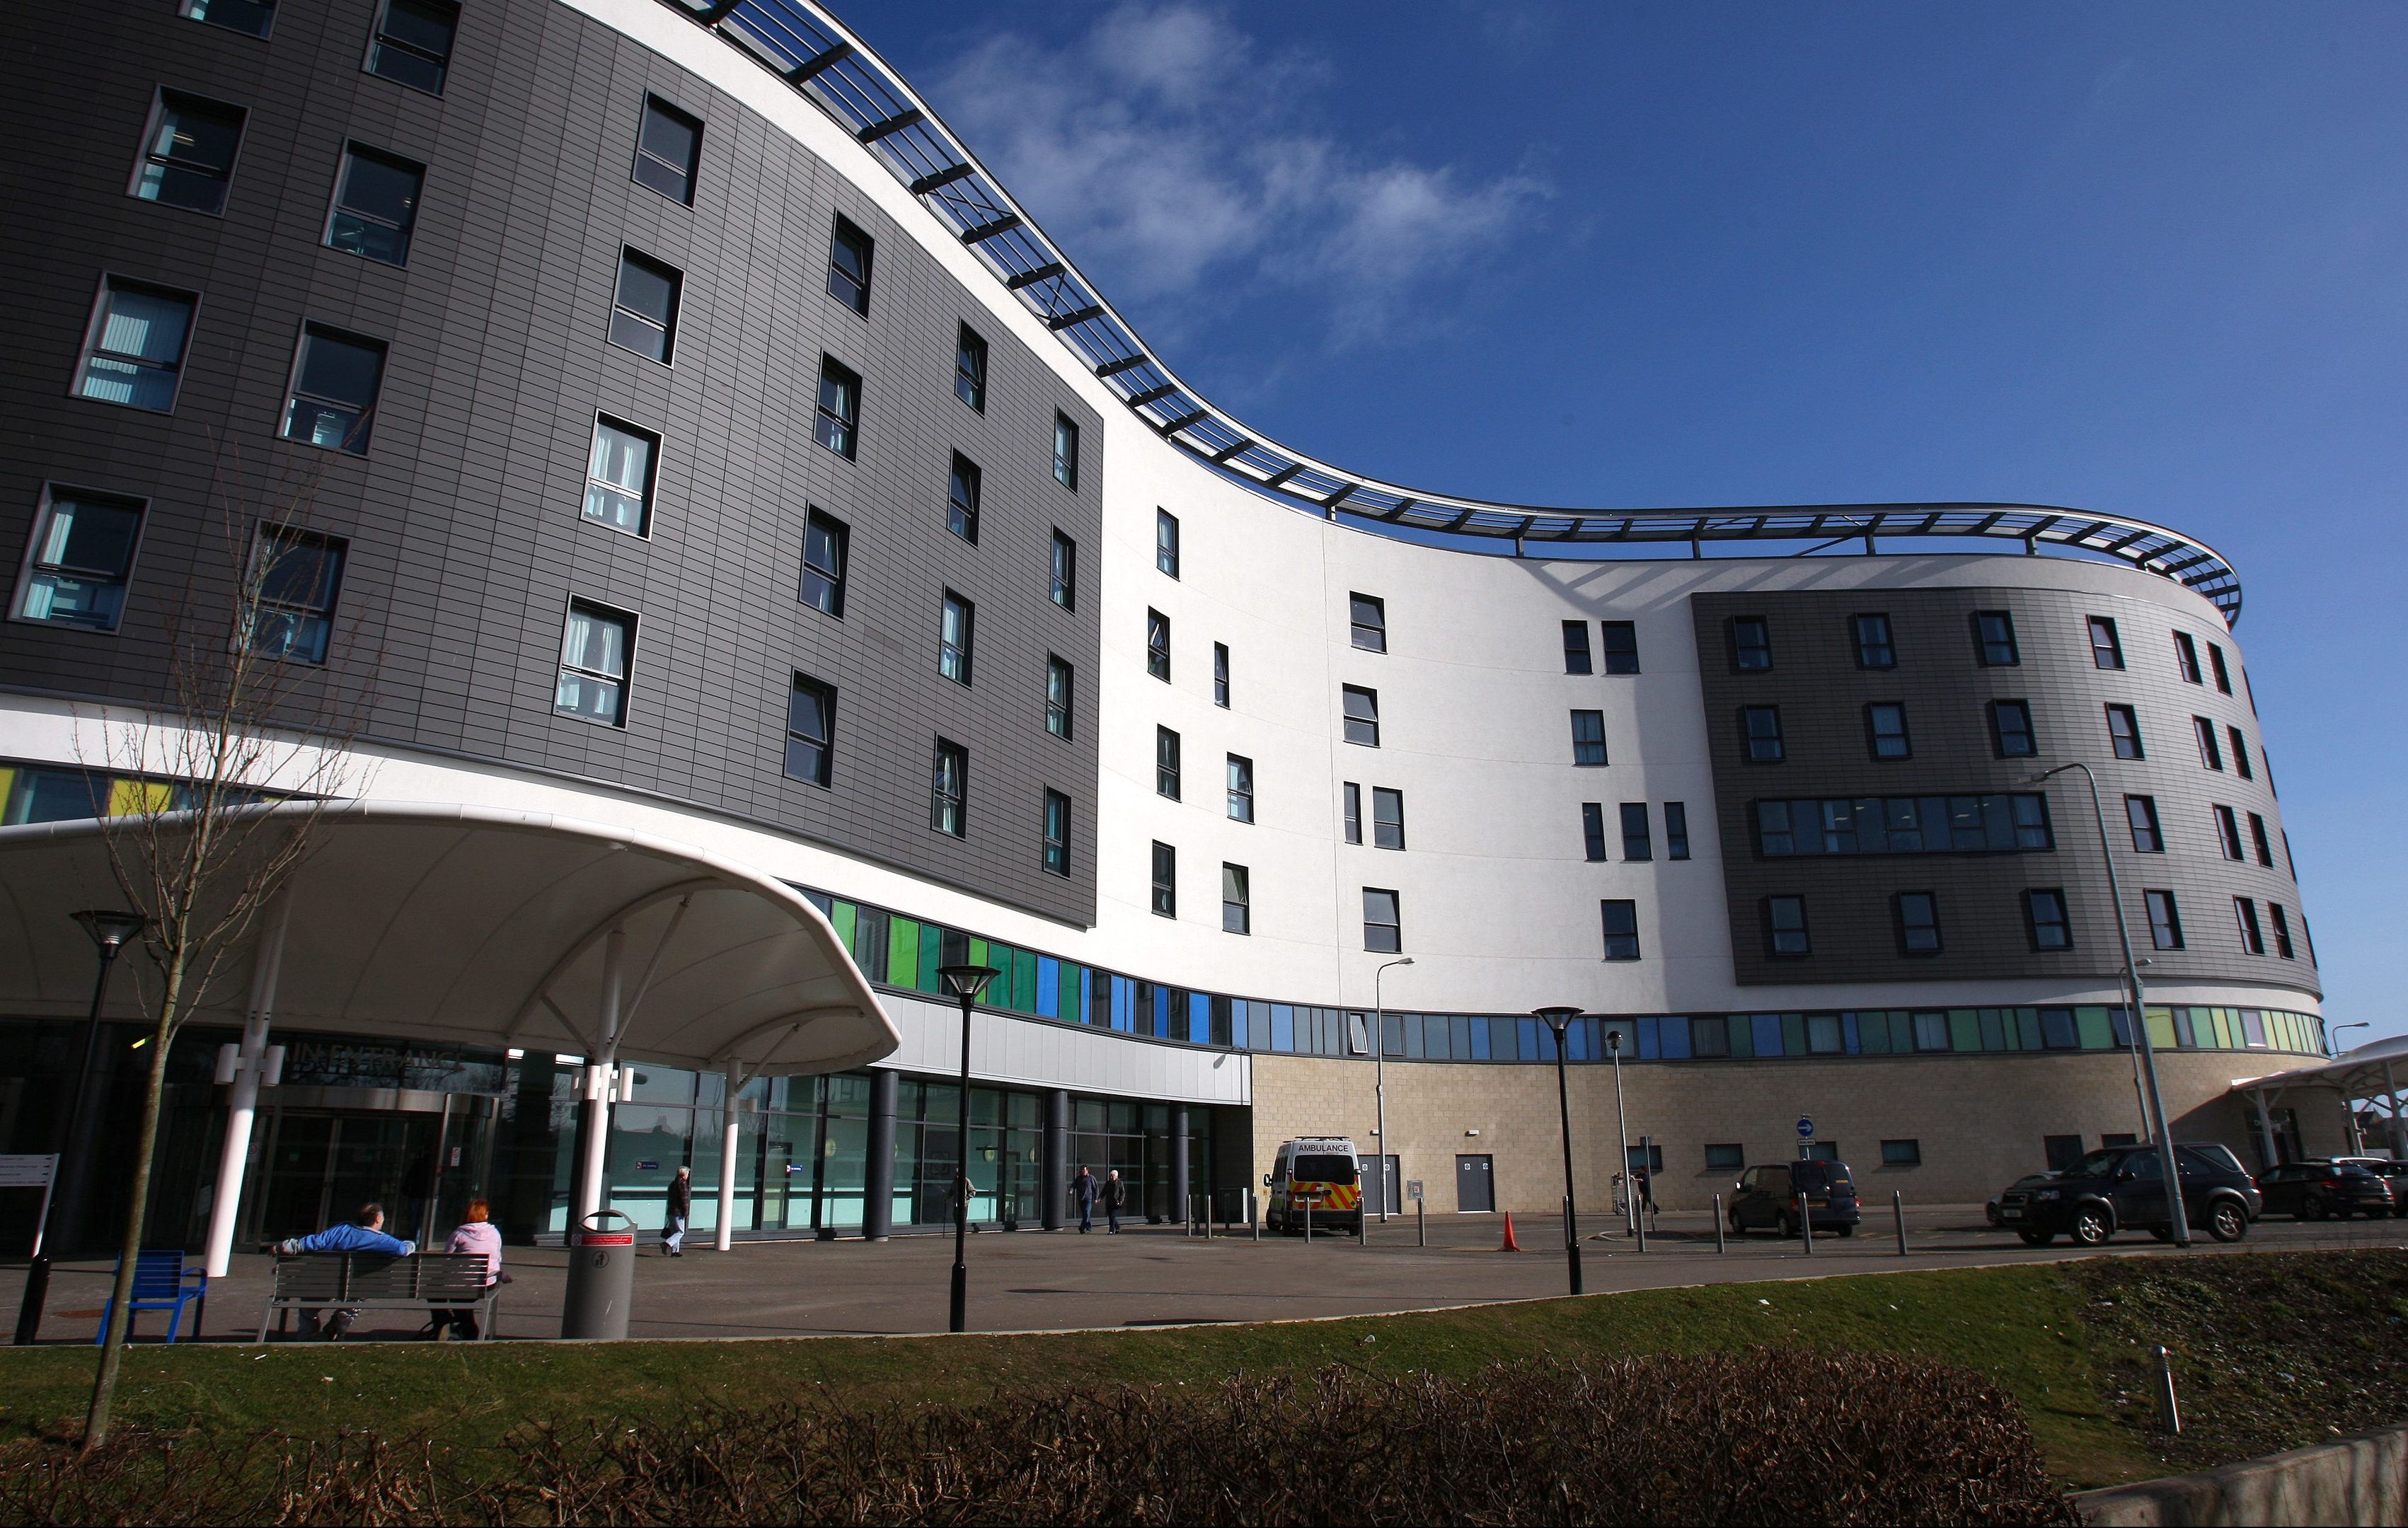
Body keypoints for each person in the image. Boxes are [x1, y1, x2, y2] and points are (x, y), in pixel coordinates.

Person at [278, 1202, 415, 1340]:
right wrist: (411, 1244)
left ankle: (306, 1335)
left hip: (321, 1282)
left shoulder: (341, 1229)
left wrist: (290, 1246)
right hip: (354, 1287)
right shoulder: (379, 1239)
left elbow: (317, 1241)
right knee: (358, 1293)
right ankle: (340, 1324)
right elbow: (402, 1249)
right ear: (378, 1219)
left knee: (308, 1308)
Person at [430, 1198, 503, 1341]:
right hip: (486, 1282)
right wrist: (502, 1274)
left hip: (462, 1283)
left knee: (435, 1290)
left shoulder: (459, 1234)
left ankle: (445, 1322)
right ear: (485, 1215)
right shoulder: (495, 1233)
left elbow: (447, 1259)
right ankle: (468, 1329)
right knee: (463, 1295)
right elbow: (498, 1257)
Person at [664, 1166, 692, 1256]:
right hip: (678, 1212)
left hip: (671, 1210)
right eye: (687, 1174)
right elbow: (684, 1200)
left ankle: (675, 1251)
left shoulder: (673, 1184)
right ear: (684, 1174)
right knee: (680, 1232)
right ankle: (667, 1244)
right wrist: (686, 1212)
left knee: (674, 1231)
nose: (688, 1176)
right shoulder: (682, 1184)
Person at [1073, 1165, 1096, 1234]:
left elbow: (1096, 1189)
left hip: (1089, 1198)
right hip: (1081, 1199)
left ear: (1087, 1171)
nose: (1083, 1171)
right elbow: (1074, 1185)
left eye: (1084, 1170)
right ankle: (1089, 1227)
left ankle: (1082, 1227)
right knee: (1085, 1214)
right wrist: (1071, 1190)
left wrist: (1097, 1198)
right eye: (1082, 1170)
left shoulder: (1091, 1178)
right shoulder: (1079, 1178)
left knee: (1086, 1212)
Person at [1105, 1169, 1127, 1234]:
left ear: (1116, 1177)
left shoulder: (1120, 1183)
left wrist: (1121, 1201)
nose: (1111, 1177)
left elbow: (1123, 1193)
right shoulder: (1108, 1183)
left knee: (1112, 1216)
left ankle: (1112, 1230)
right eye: (1110, 1176)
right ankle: (1117, 1227)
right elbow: (1104, 1191)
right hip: (1109, 1202)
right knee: (1111, 1217)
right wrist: (1099, 1198)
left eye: (1113, 1176)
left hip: (1116, 1203)